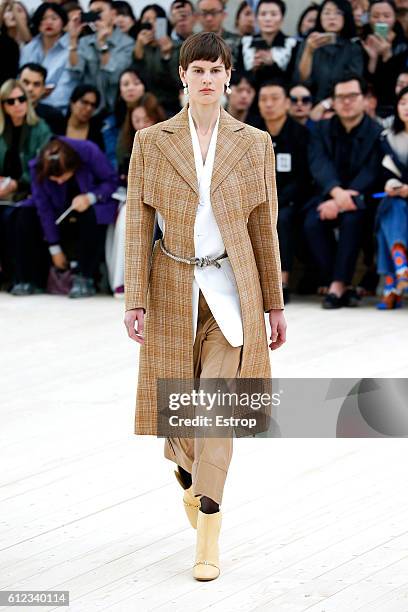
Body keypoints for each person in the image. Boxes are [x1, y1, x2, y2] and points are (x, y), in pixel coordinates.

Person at [124, 31, 286, 582]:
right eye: (198, 70)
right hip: (172, 285)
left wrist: (276, 305)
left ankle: (209, 531)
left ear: (229, 77)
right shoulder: (151, 142)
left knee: (217, 405)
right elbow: (137, 224)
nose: (208, 79)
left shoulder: (254, 143)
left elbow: (265, 227)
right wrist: (135, 297)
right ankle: (190, 476)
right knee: (182, 415)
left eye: (217, 69)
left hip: (233, 292)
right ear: (183, 78)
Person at [303, 75, 383, 308]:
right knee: (312, 223)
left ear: (363, 99)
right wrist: (337, 194)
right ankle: (336, 281)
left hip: (363, 197)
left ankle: (337, 285)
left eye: (352, 96)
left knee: (353, 219)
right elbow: (318, 163)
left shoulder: (376, 132)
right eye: (341, 97)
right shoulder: (321, 129)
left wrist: (342, 200)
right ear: (334, 101)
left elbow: (371, 171)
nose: (346, 102)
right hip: (327, 194)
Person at [12, 137, 118, 297]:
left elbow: (111, 181)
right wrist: (54, 248)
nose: (59, 181)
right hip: (56, 207)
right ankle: (27, 279)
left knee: (92, 215)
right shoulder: (37, 165)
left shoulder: (88, 151)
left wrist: (91, 197)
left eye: (63, 176)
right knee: (24, 215)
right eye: (54, 179)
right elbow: (43, 206)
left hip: (90, 204)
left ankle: (85, 277)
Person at [256, 80, 311, 302]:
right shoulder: (252, 133)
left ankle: (281, 282)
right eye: (264, 99)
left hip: (292, 200)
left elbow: (304, 178)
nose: (269, 104)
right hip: (259, 197)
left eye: (275, 98)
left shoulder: (300, 134)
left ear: (287, 103)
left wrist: (278, 199)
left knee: (282, 219)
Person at [0, 78, 51, 290]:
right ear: (3, 105)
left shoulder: (39, 128)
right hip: (4, 194)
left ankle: (23, 279)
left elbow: (42, 168)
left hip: (32, 193)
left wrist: (16, 184)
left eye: (21, 99)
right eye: (10, 101)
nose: (17, 104)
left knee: (18, 217)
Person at [67, 0, 134, 114]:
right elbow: (75, 73)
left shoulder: (127, 43)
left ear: (113, 14)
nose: (96, 16)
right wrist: (73, 39)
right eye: (92, 13)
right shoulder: (84, 41)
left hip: (115, 109)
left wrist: (103, 45)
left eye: (99, 11)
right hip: (89, 109)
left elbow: (114, 78)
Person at [375, 86, 408, 308]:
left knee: (389, 212)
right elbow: (381, 173)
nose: (407, 107)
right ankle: (401, 267)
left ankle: (392, 281)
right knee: (391, 204)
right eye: (403, 102)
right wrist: (391, 185)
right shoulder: (388, 137)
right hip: (397, 199)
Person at [294, 0, 364, 103]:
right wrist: (308, 52)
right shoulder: (308, 43)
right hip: (309, 103)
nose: (331, 17)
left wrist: (326, 105)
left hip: (341, 103)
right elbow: (301, 80)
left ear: (346, 16)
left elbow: (353, 84)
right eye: (326, 13)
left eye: (338, 13)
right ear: (320, 17)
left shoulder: (354, 49)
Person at [19, 3, 75, 114]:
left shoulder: (71, 49)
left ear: (63, 23)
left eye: (54, 18)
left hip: (57, 110)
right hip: (24, 108)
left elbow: (65, 87)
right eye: (44, 18)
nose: (49, 22)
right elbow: (20, 81)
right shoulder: (28, 48)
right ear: (38, 23)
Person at [132, 4, 182, 117]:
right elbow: (138, 79)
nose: (150, 23)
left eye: (155, 20)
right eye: (146, 20)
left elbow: (177, 82)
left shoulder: (177, 47)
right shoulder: (140, 48)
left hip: (171, 106)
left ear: (162, 23)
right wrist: (138, 51)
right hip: (145, 106)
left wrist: (167, 56)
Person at [237, 0, 297, 91]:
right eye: (263, 14)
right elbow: (237, 74)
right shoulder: (245, 42)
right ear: (256, 18)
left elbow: (294, 78)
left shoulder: (292, 43)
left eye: (274, 14)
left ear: (282, 19)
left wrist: (272, 64)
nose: (268, 19)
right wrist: (253, 69)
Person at [101, 68, 147, 167]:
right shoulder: (110, 124)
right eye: (125, 84)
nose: (130, 88)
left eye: (136, 83)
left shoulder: (159, 115)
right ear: (120, 92)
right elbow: (112, 158)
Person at [19, 63, 65, 134]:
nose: (30, 89)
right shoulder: (4, 111)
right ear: (17, 84)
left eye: (36, 84)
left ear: (43, 89)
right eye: (26, 82)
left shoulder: (54, 117)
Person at [196, 0, 241, 65]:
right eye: (204, 13)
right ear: (197, 16)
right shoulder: (190, 44)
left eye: (214, 12)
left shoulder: (238, 42)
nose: (209, 18)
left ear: (223, 14)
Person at [64, 84, 105, 150]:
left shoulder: (96, 134)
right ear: (72, 103)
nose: (89, 108)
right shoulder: (57, 125)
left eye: (93, 105)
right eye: (84, 102)